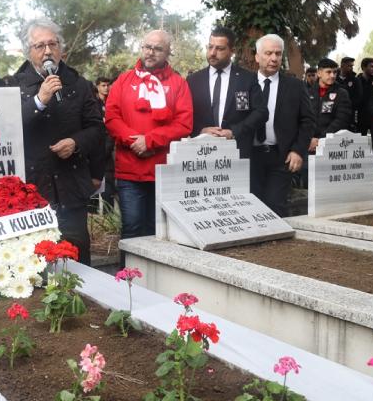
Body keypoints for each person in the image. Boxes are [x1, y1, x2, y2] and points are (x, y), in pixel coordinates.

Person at [12, 18, 105, 265]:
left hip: (71, 188)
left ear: (61, 48)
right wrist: (39, 100)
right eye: (39, 46)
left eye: (52, 44)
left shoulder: (79, 84)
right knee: (36, 263)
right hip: (33, 190)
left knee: (76, 259)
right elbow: (9, 130)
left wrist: (76, 142)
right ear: (28, 51)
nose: (47, 51)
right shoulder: (13, 85)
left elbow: (97, 129)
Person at [105, 29, 192, 243]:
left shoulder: (178, 83)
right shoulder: (123, 80)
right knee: (132, 229)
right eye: (147, 47)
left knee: (160, 232)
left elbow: (184, 124)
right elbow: (112, 117)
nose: (151, 52)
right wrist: (135, 142)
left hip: (163, 171)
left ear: (168, 52)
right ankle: (129, 268)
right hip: (130, 170)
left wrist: (150, 141)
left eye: (158, 49)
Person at [249, 34, 315, 217]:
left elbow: (308, 120)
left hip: (281, 157)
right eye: (268, 53)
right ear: (257, 56)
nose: (274, 58)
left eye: (278, 54)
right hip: (250, 156)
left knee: (274, 206)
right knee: (251, 206)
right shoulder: (244, 83)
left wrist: (298, 151)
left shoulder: (295, 86)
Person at [187, 26, 267, 158]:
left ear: (232, 51)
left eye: (220, 48)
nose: (212, 53)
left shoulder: (247, 78)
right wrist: (200, 130)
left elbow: (261, 112)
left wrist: (234, 132)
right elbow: (186, 114)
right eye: (210, 47)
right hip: (202, 154)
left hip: (237, 152)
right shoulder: (193, 80)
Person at [307, 58, 352, 153]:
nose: (332, 75)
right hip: (309, 144)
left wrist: (321, 140)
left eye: (335, 72)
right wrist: (308, 139)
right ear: (319, 73)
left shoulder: (342, 93)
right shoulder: (307, 93)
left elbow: (341, 120)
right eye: (328, 72)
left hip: (331, 146)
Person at [90, 76, 116, 211]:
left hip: (108, 153)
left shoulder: (113, 102)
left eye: (107, 85)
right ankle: (92, 216)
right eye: (103, 86)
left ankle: (109, 215)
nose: (106, 88)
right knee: (92, 195)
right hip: (93, 151)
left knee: (108, 192)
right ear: (97, 87)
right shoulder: (93, 104)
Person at [336, 56, 362, 133]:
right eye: (349, 66)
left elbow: (359, 97)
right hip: (335, 114)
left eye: (352, 66)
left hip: (350, 114)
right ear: (342, 65)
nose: (351, 68)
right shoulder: (334, 78)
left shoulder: (355, 80)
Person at [357, 57, 373, 136]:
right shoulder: (357, 81)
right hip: (361, 116)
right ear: (364, 67)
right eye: (372, 66)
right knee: (360, 138)